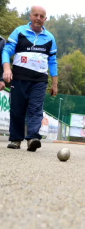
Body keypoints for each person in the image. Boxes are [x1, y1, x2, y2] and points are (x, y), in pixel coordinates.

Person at [2, 5, 57, 151]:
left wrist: (54, 84)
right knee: (17, 109)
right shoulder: (19, 32)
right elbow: (7, 51)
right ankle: (16, 139)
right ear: (30, 16)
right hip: (19, 77)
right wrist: (6, 69)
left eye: (41, 16)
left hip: (39, 80)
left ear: (45, 19)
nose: (38, 18)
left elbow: (52, 62)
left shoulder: (50, 38)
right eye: (35, 15)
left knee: (36, 109)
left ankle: (32, 138)